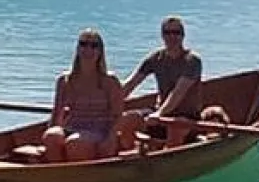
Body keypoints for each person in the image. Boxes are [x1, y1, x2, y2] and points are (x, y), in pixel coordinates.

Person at [119, 16, 228, 150]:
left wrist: (159, 114)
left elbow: (178, 93)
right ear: (162, 35)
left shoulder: (192, 61)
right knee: (128, 119)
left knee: (175, 128)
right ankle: (131, 159)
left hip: (187, 117)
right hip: (159, 114)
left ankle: (166, 161)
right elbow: (130, 84)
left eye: (176, 32)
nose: (172, 37)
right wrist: (108, 104)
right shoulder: (155, 58)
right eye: (167, 33)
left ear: (183, 35)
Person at [42, 29, 124, 163]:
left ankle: (78, 176)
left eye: (94, 45)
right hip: (71, 127)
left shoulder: (110, 81)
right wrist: (48, 134)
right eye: (83, 44)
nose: (88, 49)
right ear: (78, 49)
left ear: (100, 51)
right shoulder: (65, 80)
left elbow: (118, 115)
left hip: (99, 131)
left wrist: (111, 138)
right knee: (51, 136)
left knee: (75, 143)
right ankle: (58, 174)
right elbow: (56, 113)